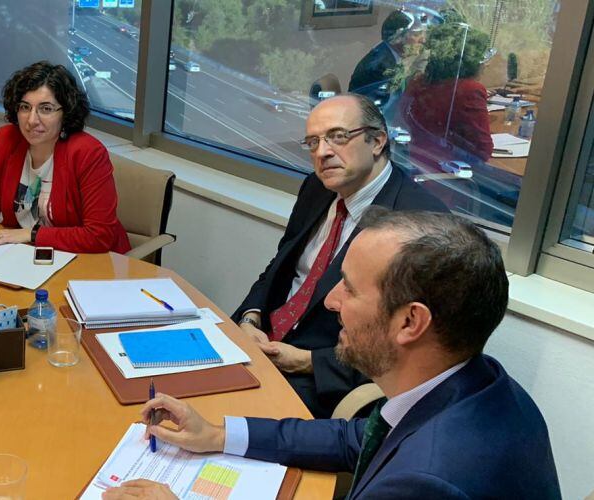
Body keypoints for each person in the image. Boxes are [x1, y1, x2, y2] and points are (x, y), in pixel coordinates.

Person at [104, 209, 561, 500]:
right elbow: (355, 438)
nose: (330, 302)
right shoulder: (481, 384)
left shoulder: (426, 482)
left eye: (350, 288)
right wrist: (217, 433)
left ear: (410, 323)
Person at [232, 94, 447, 418]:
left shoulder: (420, 220)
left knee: (221, 425)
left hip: (320, 379)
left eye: (338, 137)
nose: (322, 153)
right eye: (313, 142)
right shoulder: (317, 188)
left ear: (377, 141)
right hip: (261, 343)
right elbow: (278, 269)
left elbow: (415, 347)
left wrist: (308, 362)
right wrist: (250, 318)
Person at [0, 61, 130, 254]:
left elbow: (99, 235)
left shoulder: (88, 153)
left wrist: (32, 234)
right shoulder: (6, 139)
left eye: (46, 109)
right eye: (25, 107)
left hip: (83, 259)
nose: (31, 120)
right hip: (22, 252)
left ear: (66, 112)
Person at [401, 20, 494, 164]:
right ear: (471, 61)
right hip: (448, 168)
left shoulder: (419, 81)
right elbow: (483, 150)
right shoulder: (470, 89)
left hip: (418, 157)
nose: (488, 64)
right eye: (484, 58)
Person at [348, 10, 418, 107]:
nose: (421, 39)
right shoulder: (382, 67)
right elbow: (383, 108)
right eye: (415, 34)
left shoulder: (386, 52)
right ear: (398, 38)